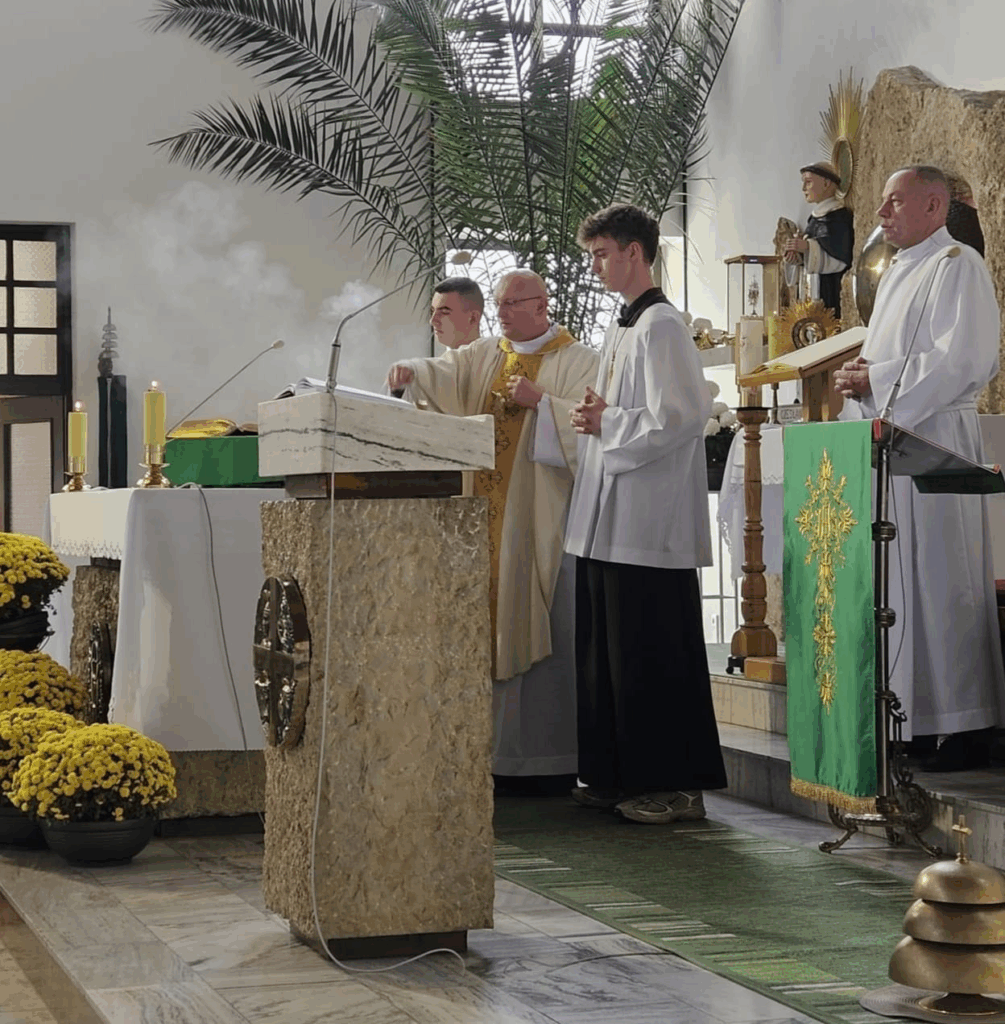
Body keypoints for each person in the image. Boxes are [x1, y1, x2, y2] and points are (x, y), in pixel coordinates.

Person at [387, 270, 600, 788]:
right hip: (482, 515)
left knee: (547, 625)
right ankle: (487, 758)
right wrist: (411, 372)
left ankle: (550, 762)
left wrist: (541, 403)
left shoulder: (580, 360)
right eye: (498, 304)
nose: (500, 314)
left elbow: (592, 431)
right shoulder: (484, 354)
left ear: (541, 305)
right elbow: (442, 373)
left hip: (541, 516)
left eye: (510, 304)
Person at [834, 164, 1005, 770]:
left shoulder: (958, 265)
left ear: (934, 206)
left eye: (894, 201)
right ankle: (911, 717)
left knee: (942, 576)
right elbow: (893, 361)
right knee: (901, 583)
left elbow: (965, 359)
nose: (881, 213)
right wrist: (861, 378)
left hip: (936, 437)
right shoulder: (900, 272)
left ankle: (964, 722)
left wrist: (875, 379)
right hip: (896, 438)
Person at [562, 203, 727, 824]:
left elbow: (681, 416)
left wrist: (607, 421)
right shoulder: (624, 326)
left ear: (635, 252)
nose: (595, 266)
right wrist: (597, 416)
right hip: (609, 521)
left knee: (653, 654)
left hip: (648, 524)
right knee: (612, 655)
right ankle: (617, 775)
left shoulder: (662, 325)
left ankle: (674, 785)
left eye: (602, 254)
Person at [783, 161, 854, 318]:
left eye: (808, 182)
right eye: (803, 183)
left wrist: (808, 247)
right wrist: (797, 257)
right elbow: (810, 259)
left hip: (829, 289)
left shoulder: (838, 216)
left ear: (826, 184)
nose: (803, 188)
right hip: (811, 289)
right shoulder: (814, 218)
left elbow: (841, 256)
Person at [430, 276, 484, 349]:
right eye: (432, 311)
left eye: (444, 312)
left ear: (473, 318)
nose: (433, 321)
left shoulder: (493, 355)